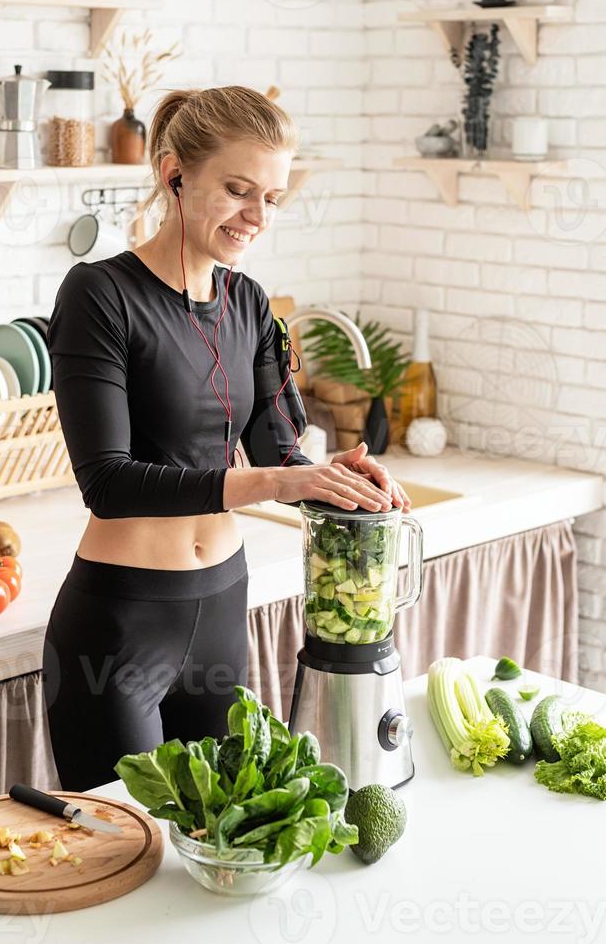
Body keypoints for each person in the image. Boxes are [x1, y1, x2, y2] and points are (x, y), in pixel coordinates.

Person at [42, 85, 411, 791]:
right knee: (133, 858)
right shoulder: (99, 294)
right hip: (119, 627)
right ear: (173, 173)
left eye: (271, 198)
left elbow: (279, 453)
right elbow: (108, 483)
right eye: (239, 190)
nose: (257, 217)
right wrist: (278, 482)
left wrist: (343, 479)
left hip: (220, 610)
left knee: (219, 846)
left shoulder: (248, 302)